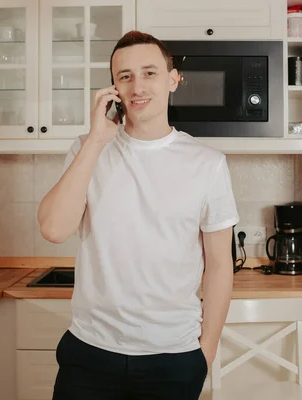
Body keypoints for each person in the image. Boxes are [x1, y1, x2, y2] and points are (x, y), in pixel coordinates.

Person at [37, 30, 239, 400]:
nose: (137, 86)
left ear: (173, 80)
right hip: (89, 352)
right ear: (113, 87)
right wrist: (96, 140)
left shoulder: (208, 164)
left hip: (174, 356)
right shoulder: (87, 149)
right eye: (125, 76)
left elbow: (219, 265)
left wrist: (205, 352)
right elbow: (53, 229)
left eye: (149, 73)